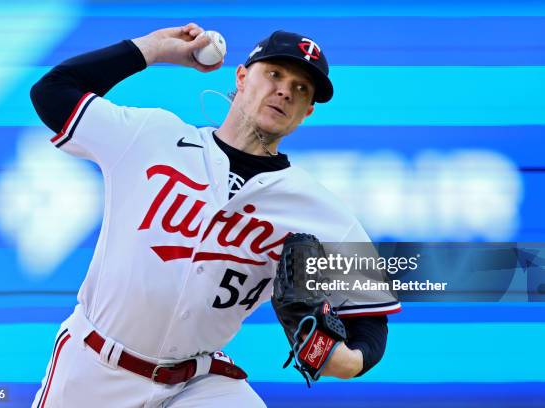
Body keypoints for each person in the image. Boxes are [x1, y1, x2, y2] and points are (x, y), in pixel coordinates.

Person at [30, 23, 400, 407]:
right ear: (242, 77)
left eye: (301, 88)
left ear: (306, 112)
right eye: (274, 74)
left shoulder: (320, 212)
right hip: (93, 366)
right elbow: (52, 92)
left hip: (196, 384)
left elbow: (370, 321)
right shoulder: (150, 137)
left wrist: (342, 359)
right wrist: (153, 49)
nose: (284, 91)